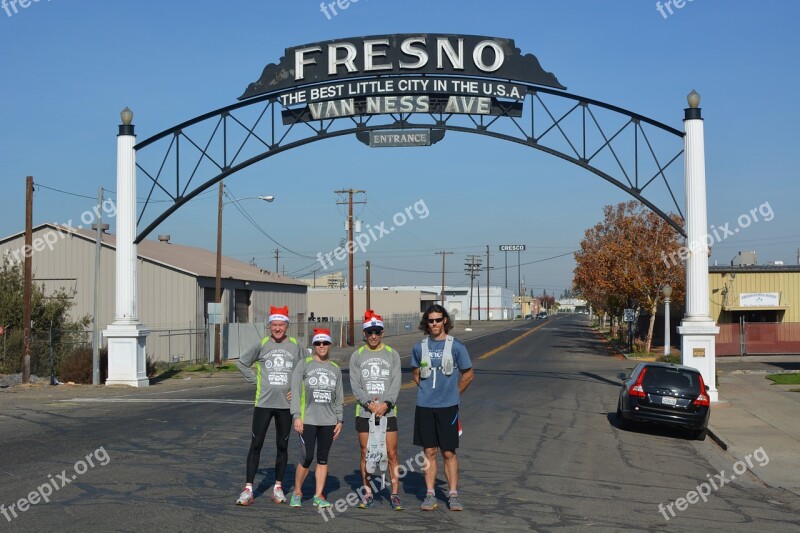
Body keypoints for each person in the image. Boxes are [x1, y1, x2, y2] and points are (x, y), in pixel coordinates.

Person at [234, 305, 302, 506]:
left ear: (287, 326)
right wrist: (256, 381)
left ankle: (278, 487)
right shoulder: (262, 344)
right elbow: (242, 363)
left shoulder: (295, 345)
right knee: (256, 444)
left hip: (286, 406)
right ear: (269, 325)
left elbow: (305, 370)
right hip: (263, 404)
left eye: (281, 325)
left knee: (283, 445)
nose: (278, 328)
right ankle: (248, 489)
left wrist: (298, 390)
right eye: (274, 325)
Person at [410, 304, 474, 512]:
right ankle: (430, 495)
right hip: (425, 407)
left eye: (438, 319)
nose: (435, 323)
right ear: (426, 323)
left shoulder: (456, 346)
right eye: (431, 320)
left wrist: (453, 394)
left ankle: (453, 495)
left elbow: (468, 374)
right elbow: (416, 374)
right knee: (428, 451)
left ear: (445, 320)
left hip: (448, 408)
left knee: (448, 452)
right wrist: (428, 392)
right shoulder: (419, 347)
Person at [349, 310, 403, 511]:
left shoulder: (392, 354)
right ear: (364, 333)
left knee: (391, 453)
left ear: (382, 332)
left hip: (388, 412)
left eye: (377, 331)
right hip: (365, 412)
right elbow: (355, 385)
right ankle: (368, 492)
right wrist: (369, 405)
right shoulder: (357, 355)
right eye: (370, 332)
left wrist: (386, 404)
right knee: (366, 452)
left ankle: (395, 494)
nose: (373, 335)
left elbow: (396, 382)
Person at [289, 328, 344, 509]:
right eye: (318, 343)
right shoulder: (304, 365)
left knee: (322, 458)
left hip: (328, 421)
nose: (322, 346)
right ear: (313, 345)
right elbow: (296, 392)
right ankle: (297, 492)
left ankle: (318, 495)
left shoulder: (335, 369)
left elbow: (339, 396)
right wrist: (297, 416)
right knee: (307, 456)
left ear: (330, 345)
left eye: (325, 343)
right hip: (308, 419)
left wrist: (340, 420)